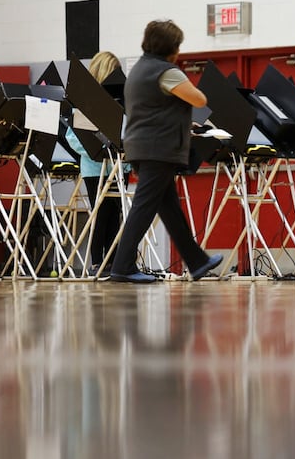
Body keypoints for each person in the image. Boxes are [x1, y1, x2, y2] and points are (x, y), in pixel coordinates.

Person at [108, 20, 222, 283]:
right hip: (158, 149)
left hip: (141, 146)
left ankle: (196, 261)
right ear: (171, 47)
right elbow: (199, 99)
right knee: (143, 208)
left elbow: (154, 108)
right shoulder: (166, 72)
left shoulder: (139, 69)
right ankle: (122, 266)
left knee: (169, 208)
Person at [65, 51, 127, 277]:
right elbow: (74, 138)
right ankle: (96, 262)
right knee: (100, 214)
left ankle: (114, 262)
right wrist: (97, 151)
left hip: (119, 166)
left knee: (116, 214)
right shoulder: (84, 101)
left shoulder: (122, 100)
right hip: (94, 167)